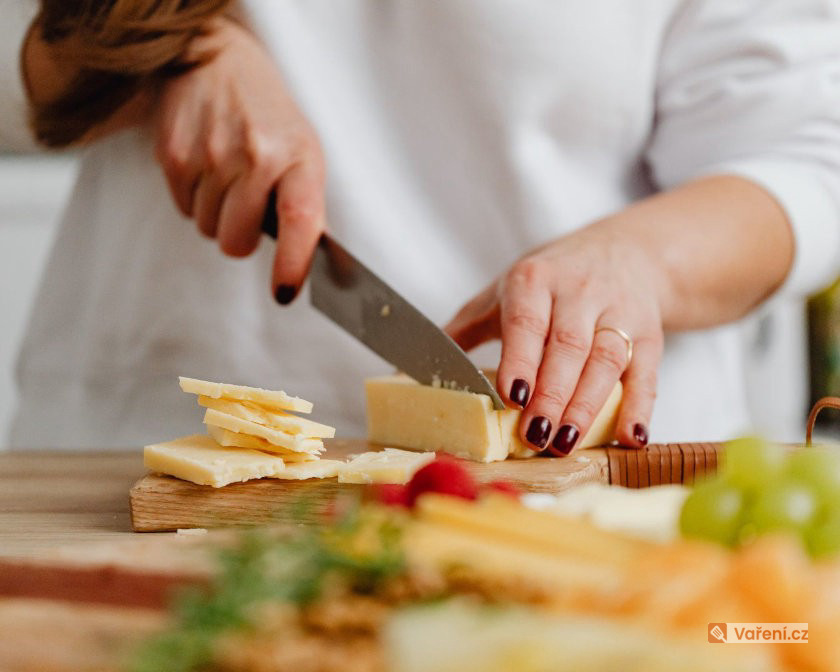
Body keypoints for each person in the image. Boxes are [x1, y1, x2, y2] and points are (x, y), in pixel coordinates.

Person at [2, 0, 839, 452]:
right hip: (139, 455)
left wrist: (638, 260)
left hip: (585, 485)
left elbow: (805, 156)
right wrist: (172, 52)